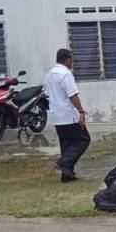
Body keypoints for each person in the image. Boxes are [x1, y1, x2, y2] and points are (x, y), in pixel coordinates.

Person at [44, 48, 91, 182]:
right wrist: (81, 111)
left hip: (56, 115)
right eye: (72, 60)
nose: (72, 63)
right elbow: (72, 95)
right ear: (68, 59)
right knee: (83, 139)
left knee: (67, 144)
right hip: (68, 114)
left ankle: (67, 175)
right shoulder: (65, 74)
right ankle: (64, 162)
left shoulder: (50, 74)